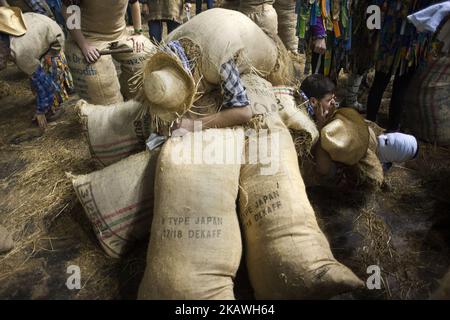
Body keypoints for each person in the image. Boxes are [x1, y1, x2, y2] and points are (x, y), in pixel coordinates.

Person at [299, 74, 418, 188]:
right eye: (329, 100)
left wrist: (322, 124)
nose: (333, 103)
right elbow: (323, 166)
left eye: (387, 142)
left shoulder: (364, 168)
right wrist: (322, 124)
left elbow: (324, 166)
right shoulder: (305, 122)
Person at [61, 0, 154, 105]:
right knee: (99, 85)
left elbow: (134, 2)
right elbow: (68, 9)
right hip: (89, 37)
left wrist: (138, 32)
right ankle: (116, 114)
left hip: (121, 34)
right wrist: (83, 45)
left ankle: (134, 103)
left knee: (145, 61)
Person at [366, 0, 439, 132]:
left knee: (380, 83)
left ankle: (369, 125)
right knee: (399, 87)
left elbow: (375, 5)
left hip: (391, 39)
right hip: (411, 42)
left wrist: (372, 31)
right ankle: (392, 130)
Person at [0, 6, 73, 130]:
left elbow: (48, 87)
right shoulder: (7, 34)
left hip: (54, 43)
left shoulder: (21, 53)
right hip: (40, 29)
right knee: (36, 77)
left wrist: (40, 111)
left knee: (47, 79)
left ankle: (54, 109)